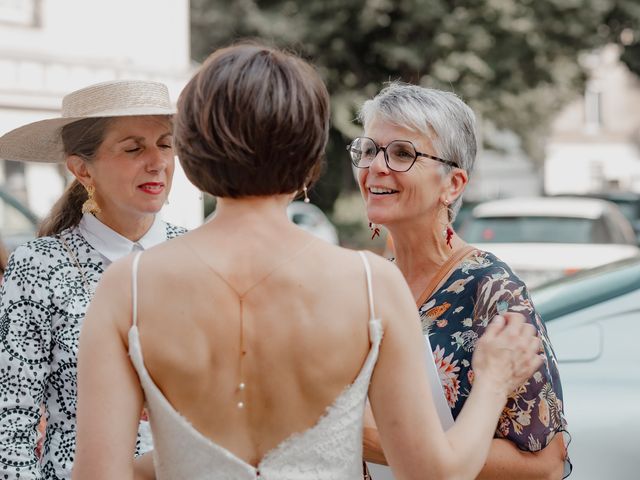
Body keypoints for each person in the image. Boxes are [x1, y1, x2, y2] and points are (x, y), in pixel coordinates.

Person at [72, 43, 541, 480]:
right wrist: (495, 380)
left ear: (191, 151)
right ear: (309, 159)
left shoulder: (127, 287)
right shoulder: (371, 285)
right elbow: (436, 473)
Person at [349, 82, 571, 478]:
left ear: (452, 185)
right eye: (368, 150)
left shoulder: (491, 290)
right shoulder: (362, 283)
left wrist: (376, 441)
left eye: (402, 153)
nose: (376, 166)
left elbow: (548, 463)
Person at [0, 79, 186, 479]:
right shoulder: (39, 265)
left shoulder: (198, 255)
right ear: (82, 168)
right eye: (134, 148)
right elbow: (11, 419)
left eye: (165, 144)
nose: (157, 161)